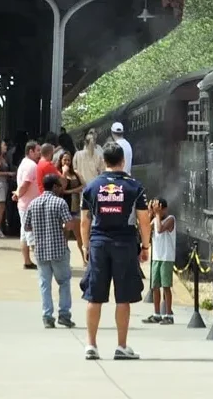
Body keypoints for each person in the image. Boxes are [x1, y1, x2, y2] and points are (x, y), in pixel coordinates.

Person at [79, 142, 151, 360]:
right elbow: (144, 220)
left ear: (104, 161)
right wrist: (145, 246)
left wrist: (85, 246)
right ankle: (121, 345)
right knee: (123, 297)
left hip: (99, 243)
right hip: (125, 244)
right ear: (123, 161)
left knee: (94, 296)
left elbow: (84, 221)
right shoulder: (134, 187)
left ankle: (91, 345)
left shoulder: (91, 187)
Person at [22, 174, 80, 328]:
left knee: (45, 284)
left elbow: (27, 226)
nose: (61, 188)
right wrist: (60, 227)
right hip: (58, 249)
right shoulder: (60, 203)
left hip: (40, 250)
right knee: (64, 282)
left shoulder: (33, 203)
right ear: (54, 187)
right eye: (59, 185)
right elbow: (69, 225)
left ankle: (47, 316)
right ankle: (64, 314)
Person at [143, 198, 176, 325]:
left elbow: (160, 229)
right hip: (156, 257)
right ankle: (157, 314)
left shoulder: (170, 219)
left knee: (166, 286)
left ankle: (168, 315)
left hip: (166, 257)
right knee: (155, 286)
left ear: (164, 209)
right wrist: (150, 213)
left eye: (159, 208)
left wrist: (156, 214)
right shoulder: (155, 220)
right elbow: (146, 230)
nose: (158, 210)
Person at [12, 140, 41, 269]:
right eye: (38, 151)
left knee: (24, 233)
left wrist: (18, 195)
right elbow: (25, 184)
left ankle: (27, 261)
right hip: (30, 205)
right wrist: (19, 194)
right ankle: (40, 262)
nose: (39, 153)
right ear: (31, 151)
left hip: (24, 204)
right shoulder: (31, 166)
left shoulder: (24, 164)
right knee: (31, 234)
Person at [58, 151, 86, 264]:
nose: (67, 162)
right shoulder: (59, 173)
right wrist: (64, 174)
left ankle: (85, 259)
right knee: (64, 235)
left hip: (75, 207)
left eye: (68, 160)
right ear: (60, 161)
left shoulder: (76, 173)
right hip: (64, 207)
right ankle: (63, 260)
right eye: (64, 160)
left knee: (79, 235)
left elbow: (84, 185)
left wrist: (70, 191)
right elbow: (61, 189)